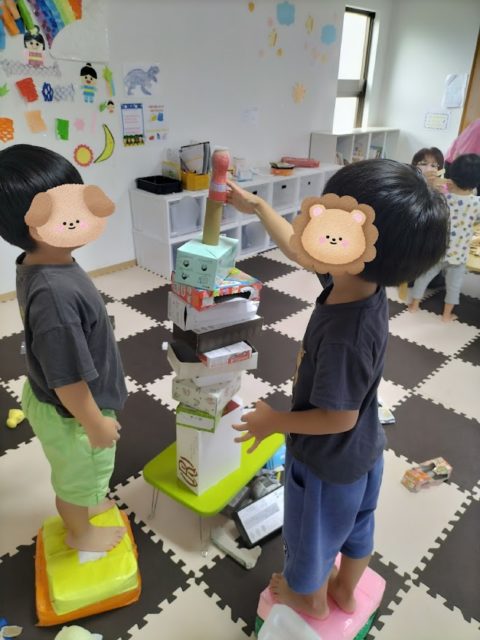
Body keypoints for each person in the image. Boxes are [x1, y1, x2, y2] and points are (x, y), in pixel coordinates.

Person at [226, 159, 449, 620]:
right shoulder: (357, 281)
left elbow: (337, 417)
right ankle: (346, 591)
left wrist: (274, 422)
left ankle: (308, 598)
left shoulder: (346, 333)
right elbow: (297, 249)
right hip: (364, 453)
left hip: (324, 463)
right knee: (357, 528)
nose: (312, 224)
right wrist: (259, 207)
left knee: (310, 538)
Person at [0, 144, 128, 553]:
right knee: (76, 481)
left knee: (83, 477)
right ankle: (81, 533)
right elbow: (69, 378)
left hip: (54, 397)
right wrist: (94, 422)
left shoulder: (41, 261)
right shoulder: (55, 294)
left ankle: (86, 504)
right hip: (71, 412)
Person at [409, 153, 480, 321]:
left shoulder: (441, 197)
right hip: (459, 254)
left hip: (437, 250)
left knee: (423, 277)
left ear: (451, 175)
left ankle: (414, 305)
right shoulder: (477, 203)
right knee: (454, 285)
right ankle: (447, 315)